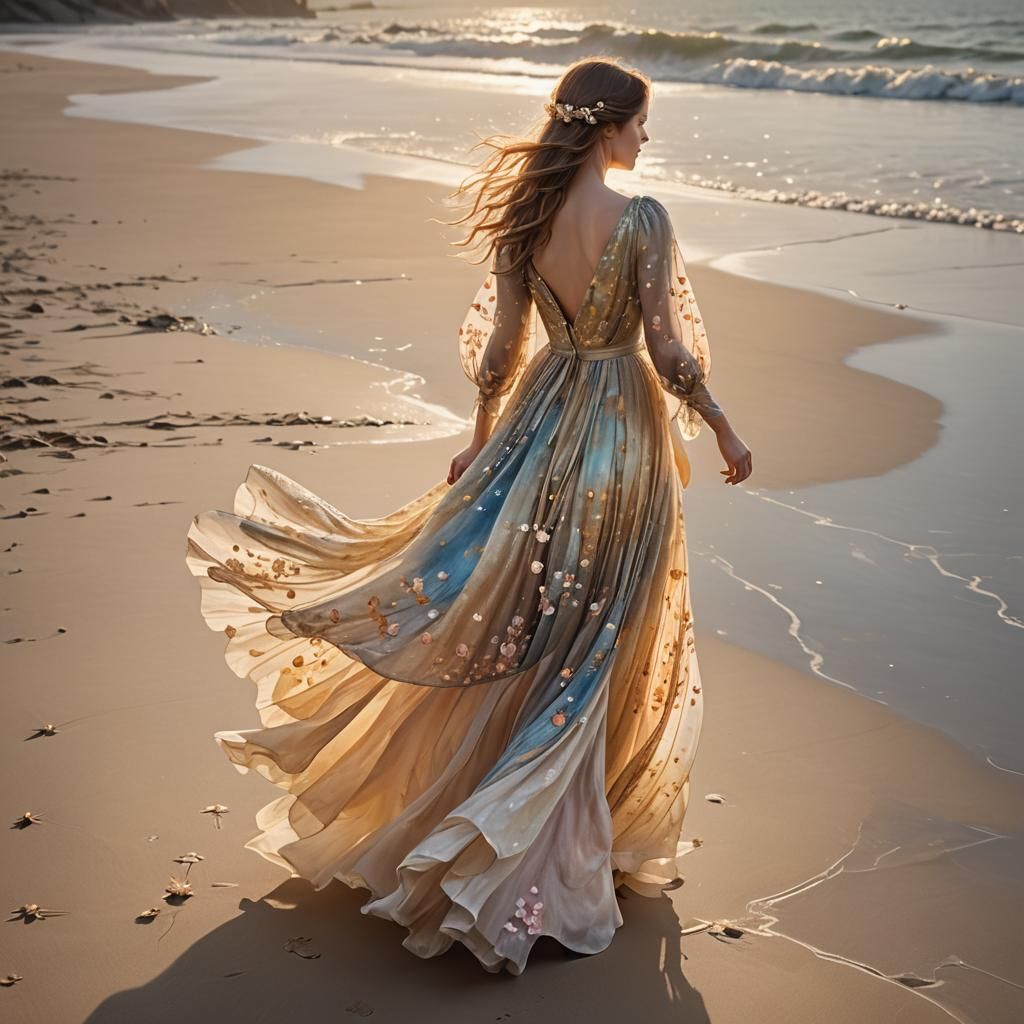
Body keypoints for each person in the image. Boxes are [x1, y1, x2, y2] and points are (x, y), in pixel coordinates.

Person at [184, 55, 752, 976]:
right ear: (608, 126)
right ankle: (533, 852)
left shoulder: (527, 219)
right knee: (597, 634)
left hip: (538, 417)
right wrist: (723, 427)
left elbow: (499, 352)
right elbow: (666, 349)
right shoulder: (641, 218)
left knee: (540, 621)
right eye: (642, 122)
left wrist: (484, 437)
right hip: (617, 431)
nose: (647, 139)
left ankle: (520, 820)